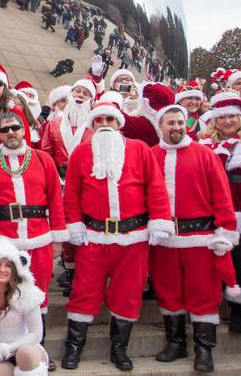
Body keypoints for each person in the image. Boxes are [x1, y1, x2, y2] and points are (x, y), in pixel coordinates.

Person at [61, 99, 173, 371]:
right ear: (92, 124)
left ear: (119, 123)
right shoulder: (80, 153)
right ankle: (74, 346)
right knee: (83, 292)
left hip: (133, 238)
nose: (104, 125)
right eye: (99, 120)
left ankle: (119, 348)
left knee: (127, 293)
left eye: (110, 120)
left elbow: (156, 188)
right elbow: (72, 194)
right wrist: (74, 225)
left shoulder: (140, 150)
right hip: (93, 237)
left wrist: (159, 222)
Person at [149, 104, 238, 372]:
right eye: (170, 123)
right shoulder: (151, 156)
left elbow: (222, 196)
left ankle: (204, 348)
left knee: (203, 293)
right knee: (168, 292)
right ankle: (176, 342)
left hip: (200, 237)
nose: (176, 127)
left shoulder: (204, 155)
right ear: (160, 126)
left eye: (180, 122)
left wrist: (225, 230)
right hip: (165, 240)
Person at [0, 111, 65, 310]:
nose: (11, 133)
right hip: (1, 240)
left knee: (39, 292)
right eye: (5, 130)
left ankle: (37, 338)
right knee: (2, 293)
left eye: (15, 128)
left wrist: (57, 238)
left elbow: (56, 201)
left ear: (24, 130)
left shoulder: (44, 160)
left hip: (39, 239)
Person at [198, 91, 241, 332]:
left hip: (239, 211)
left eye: (232, 117)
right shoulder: (204, 145)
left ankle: (237, 312)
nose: (227, 121)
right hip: (211, 214)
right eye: (222, 117)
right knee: (216, 264)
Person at [0, 239, 49, 376]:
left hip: (26, 348)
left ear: (15, 269)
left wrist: (8, 348)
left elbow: (36, 334)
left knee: (25, 354)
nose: (2, 269)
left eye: (8, 265)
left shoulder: (27, 293)